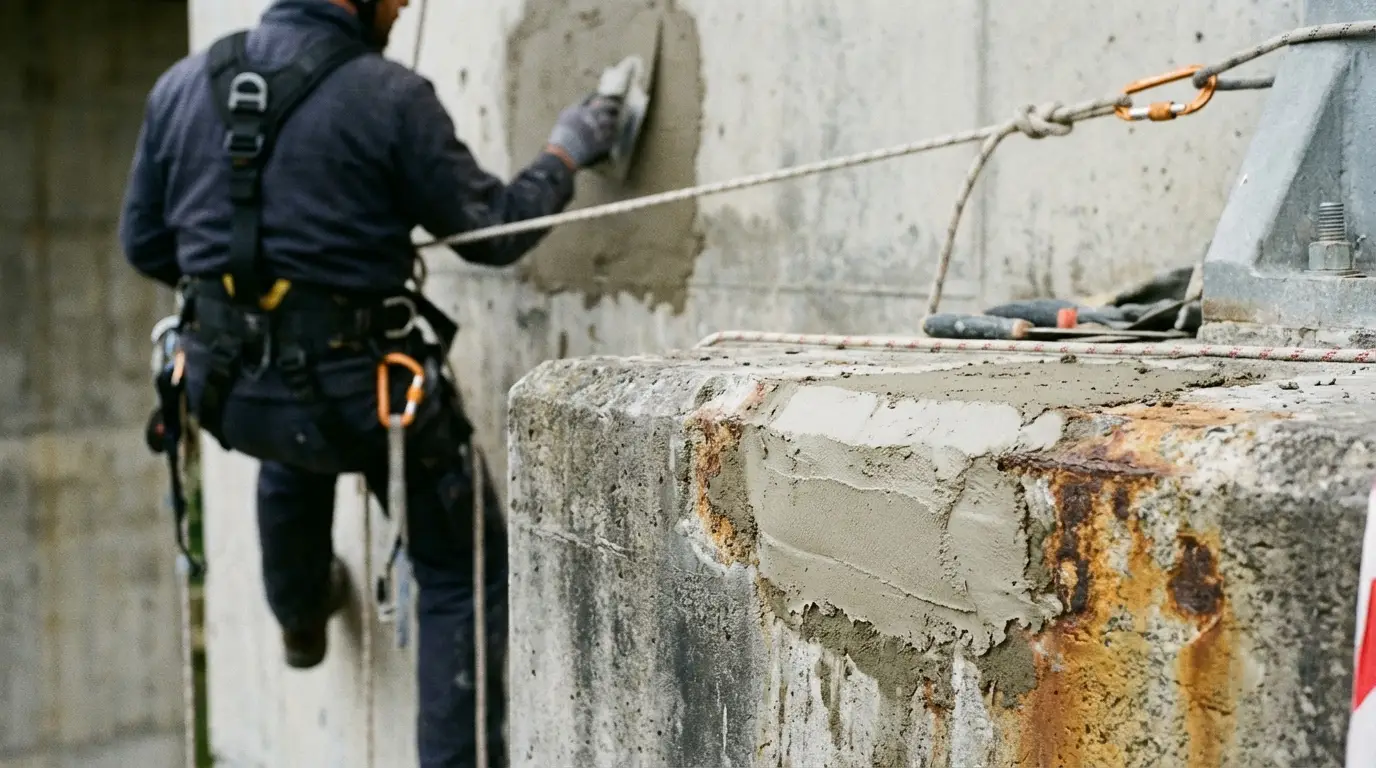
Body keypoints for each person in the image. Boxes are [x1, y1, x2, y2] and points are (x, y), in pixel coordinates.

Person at [118, 0, 622, 765]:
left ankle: (301, 620)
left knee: (291, 435)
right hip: (363, 396)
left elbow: (147, 244)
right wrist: (565, 153)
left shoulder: (183, 85)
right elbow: (497, 230)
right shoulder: (388, 96)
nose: (408, 4)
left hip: (231, 392)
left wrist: (248, 307)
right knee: (459, 569)